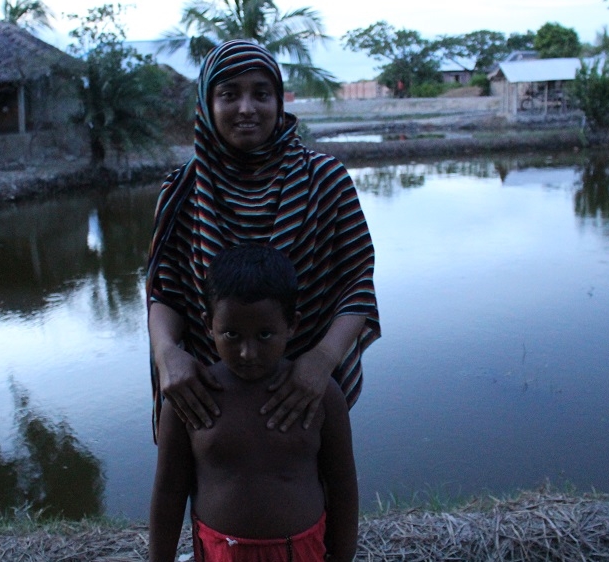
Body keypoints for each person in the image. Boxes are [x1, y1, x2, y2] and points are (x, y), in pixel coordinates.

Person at [146, 39, 380, 441]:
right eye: (229, 94)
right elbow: (165, 293)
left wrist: (322, 360)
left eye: (261, 93)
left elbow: (357, 284)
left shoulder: (326, 180)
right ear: (206, 104)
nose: (246, 108)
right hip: (209, 399)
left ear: (279, 101)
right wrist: (168, 355)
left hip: (305, 394)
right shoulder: (182, 191)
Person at [149, 244, 358, 562]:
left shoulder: (321, 396)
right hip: (220, 554)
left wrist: (343, 556)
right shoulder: (190, 397)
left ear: (292, 325)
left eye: (264, 335)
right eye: (232, 335)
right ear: (208, 325)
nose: (248, 353)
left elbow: (342, 484)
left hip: (301, 553)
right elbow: (168, 492)